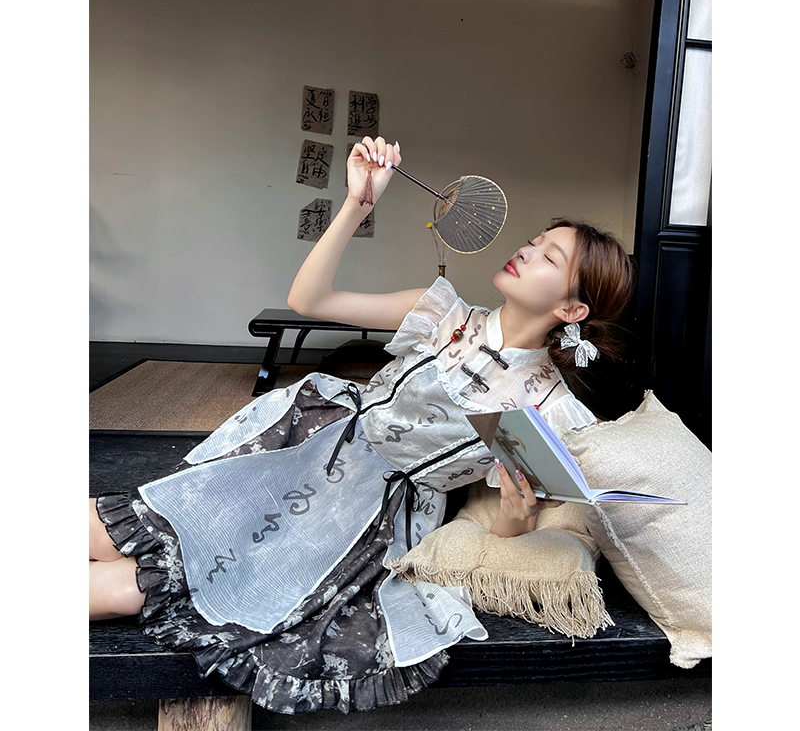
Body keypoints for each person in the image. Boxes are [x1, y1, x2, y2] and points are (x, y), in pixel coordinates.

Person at [89, 136, 635, 714]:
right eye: (534, 241)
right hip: (309, 443)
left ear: (572, 311)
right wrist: (358, 202)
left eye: (549, 257)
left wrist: (514, 518)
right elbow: (309, 299)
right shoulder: (440, 312)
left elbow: (508, 526)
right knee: (115, 530)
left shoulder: (551, 408)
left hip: (369, 519)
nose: (525, 250)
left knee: (138, 588)